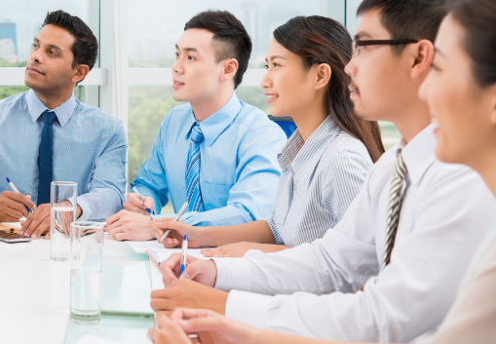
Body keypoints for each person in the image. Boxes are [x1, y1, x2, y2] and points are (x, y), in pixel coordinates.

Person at [145, 0, 496, 344]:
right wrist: (219, 277)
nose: (349, 67)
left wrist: (229, 307)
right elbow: (335, 262)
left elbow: (383, 317)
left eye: (362, 47)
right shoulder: (393, 166)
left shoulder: (459, 181)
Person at [153, 16, 383, 257]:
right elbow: (277, 228)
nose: (265, 81)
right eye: (266, 67)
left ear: (320, 76)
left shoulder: (341, 160)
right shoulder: (295, 152)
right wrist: (195, 235)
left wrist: (259, 253)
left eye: (277, 65)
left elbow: (360, 266)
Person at [0, 10, 127, 238]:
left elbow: (112, 195)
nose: (35, 56)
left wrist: (69, 209)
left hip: (71, 255)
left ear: (78, 72)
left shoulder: (107, 130)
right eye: (35, 46)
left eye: (52, 52)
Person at [107, 11, 285, 241]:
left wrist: (159, 226)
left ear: (228, 69)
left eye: (190, 58)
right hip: (173, 259)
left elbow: (248, 215)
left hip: (232, 264)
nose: (176, 67)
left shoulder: (261, 135)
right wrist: (144, 202)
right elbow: (148, 184)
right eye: (177, 55)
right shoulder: (174, 121)